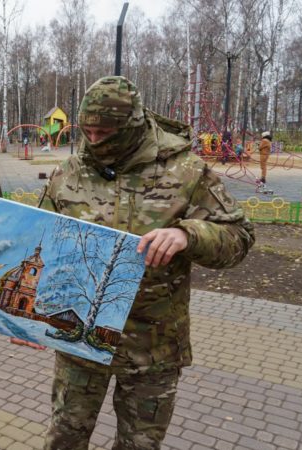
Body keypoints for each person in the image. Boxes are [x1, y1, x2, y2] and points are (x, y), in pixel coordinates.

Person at [36, 76, 255, 450]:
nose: (94, 140)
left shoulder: (186, 172)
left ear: (132, 126)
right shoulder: (68, 173)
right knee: (64, 439)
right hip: (79, 341)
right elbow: (39, 244)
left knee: (139, 446)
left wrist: (189, 235)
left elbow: (239, 238)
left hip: (152, 348)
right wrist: (22, 316)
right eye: (87, 131)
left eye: (104, 132)